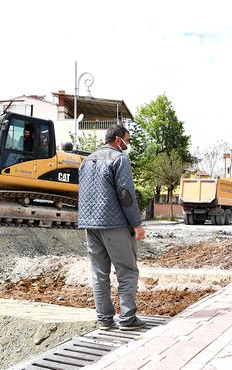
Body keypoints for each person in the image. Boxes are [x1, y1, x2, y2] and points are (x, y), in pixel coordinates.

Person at [78, 124, 146, 330]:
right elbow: (126, 195)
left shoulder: (86, 161)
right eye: (128, 139)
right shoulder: (120, 159)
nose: (129, 143)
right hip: (114, 224)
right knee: (127, 271)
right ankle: (127, 319)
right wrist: (136, 224)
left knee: (99, 273)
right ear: (118, 139)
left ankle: (104, 320)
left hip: (91, 224)